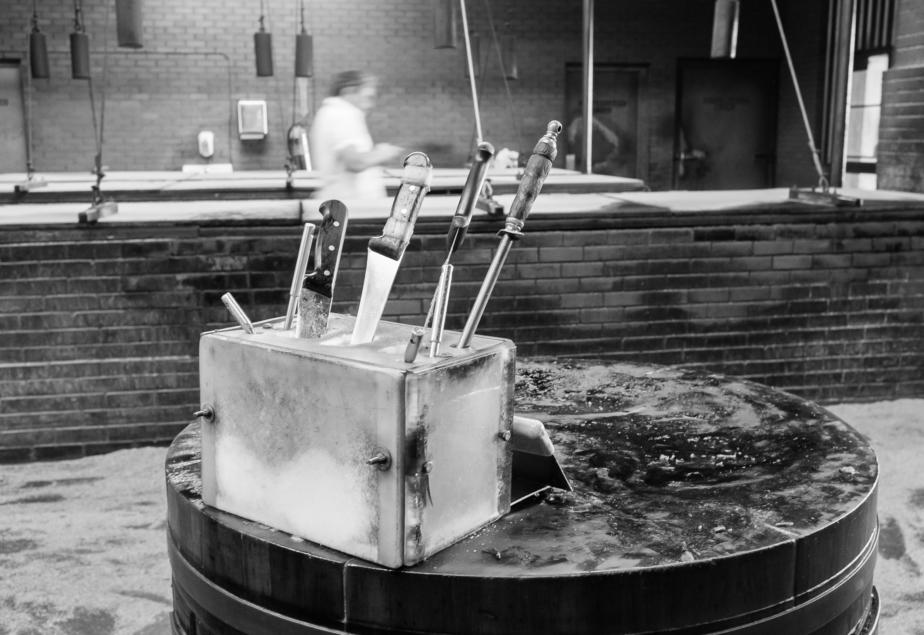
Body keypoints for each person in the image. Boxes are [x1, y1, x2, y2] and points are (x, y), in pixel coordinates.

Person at [308, 70, 404, 201]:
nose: (371, 104)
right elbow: (355, 162)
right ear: (348, 92)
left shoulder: (330, 113)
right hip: (352, 207)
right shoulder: (342, 114)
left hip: (346, 204)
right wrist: (382, 153)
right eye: (368, 97)